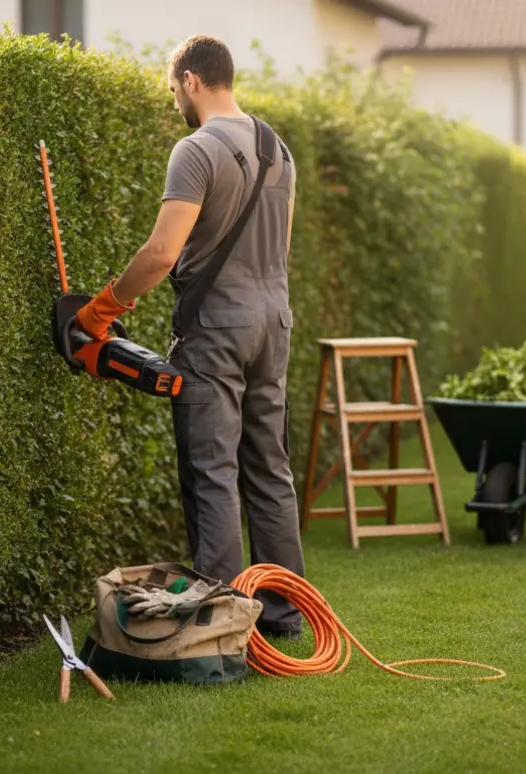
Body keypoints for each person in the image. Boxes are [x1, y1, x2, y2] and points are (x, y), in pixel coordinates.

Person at [73, 34, 305, 638]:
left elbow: (161, 254)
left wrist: (102, 310)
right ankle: (284, 618)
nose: (175, 99)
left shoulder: (196, 149)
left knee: (212, 473)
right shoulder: (278, 150)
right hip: (274, 323)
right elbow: (280, 252)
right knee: (270, 470)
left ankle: (222, 628)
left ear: (192, 81)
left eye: (174, 88)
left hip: (216, 330)